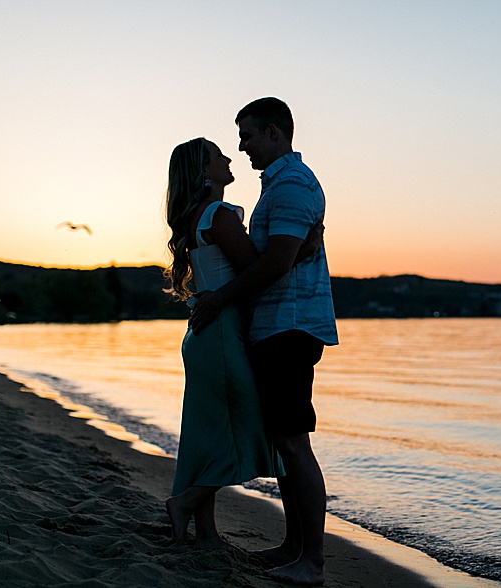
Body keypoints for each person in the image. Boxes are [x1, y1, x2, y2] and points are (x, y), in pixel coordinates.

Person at [189, 97, 338, 586]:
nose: (242, 147)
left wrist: (217, 299)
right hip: (275, 325)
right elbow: (279, 255)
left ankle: (312, 561)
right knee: (284, 443)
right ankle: (293, 546)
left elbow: (274, 262)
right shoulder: (278, 186)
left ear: (275, 133)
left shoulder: (292, 185)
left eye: (249, 136)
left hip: (290, 326)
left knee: (294, 444)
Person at [161, 138, 320, 549]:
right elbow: (259, 269)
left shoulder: (196, 216)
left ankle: (207, 531)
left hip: (205, 333)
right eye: (217, 156)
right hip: (222, 332)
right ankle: (186, 503)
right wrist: (306, 248)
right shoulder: (218, 216)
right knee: (251, 431)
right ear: (203, 171)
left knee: (206, 435)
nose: (229, 158)